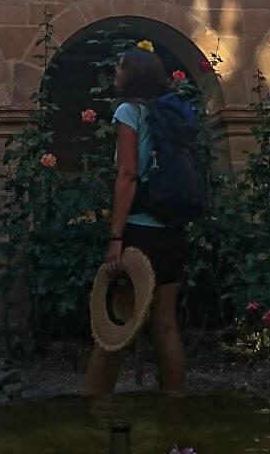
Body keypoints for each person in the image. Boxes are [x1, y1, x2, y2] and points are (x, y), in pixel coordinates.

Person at [82, 47, 188, 397]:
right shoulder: (168, 114)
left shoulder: (129, 111)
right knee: (166, 327)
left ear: (134, 75)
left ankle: (95, 415)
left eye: (121, 66)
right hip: (172, 230)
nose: (116, 70)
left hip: (140, 230)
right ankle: (175, 412)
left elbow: (127, 174)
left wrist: (115, 237)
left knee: (114, 329)